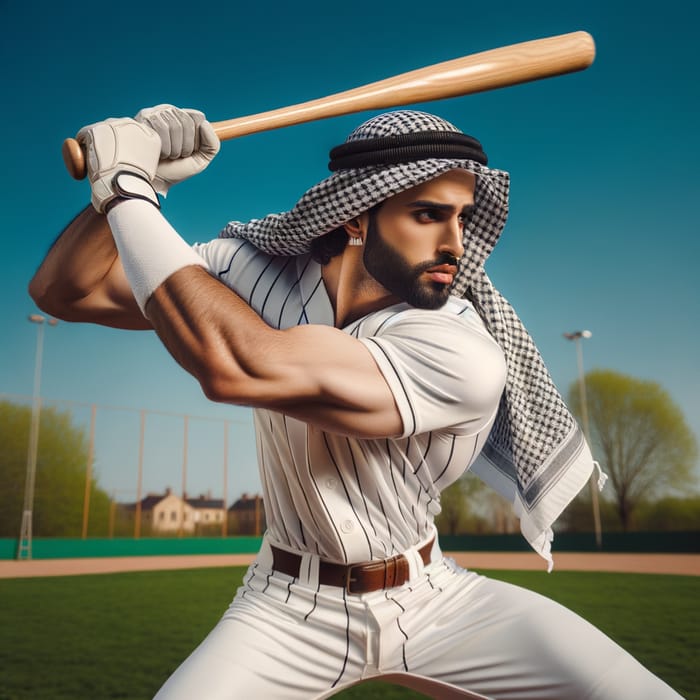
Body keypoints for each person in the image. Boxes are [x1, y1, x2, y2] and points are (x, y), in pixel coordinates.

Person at [30, 105, 683, 700]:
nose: (455, 243)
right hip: (284, 607)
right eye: (428, 215)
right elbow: (66, 291)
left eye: (461, 217)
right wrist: (122, 193)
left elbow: (237, 365)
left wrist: (126, 190)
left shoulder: (463, 349)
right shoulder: (252, 272)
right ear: (356, 212)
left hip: (435, 599)